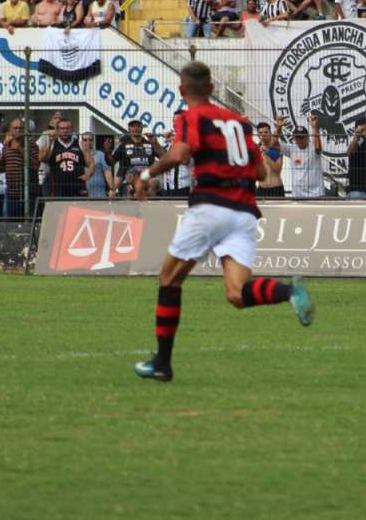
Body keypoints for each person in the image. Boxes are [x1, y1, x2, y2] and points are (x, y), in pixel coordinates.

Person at [131, 61, 315, 382]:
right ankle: (290, 292)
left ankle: (162, 362)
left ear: (181, 90)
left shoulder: (192, 117)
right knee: (236, 293)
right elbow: (261, 173)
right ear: (213, 89)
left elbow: (179, 154)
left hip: (211, 207)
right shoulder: (240, 122)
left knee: (169, 279)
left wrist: (145, 174)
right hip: (244, 212)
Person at [41, 118, 94, 198]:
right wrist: (49, 141)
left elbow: (91, 164)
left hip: (77, 187)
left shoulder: (80, 145)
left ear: (72, 129)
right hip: (57, 188)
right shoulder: (52, 145)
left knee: (79, 209)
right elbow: (42, 158)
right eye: (62, 128)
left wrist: (88, 174)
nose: (65, 131)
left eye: (68, 128)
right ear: (57, 130)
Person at [110, 120, 162, 197]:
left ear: (142, 128)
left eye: (138, 126)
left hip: (147, 183)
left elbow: (163, 157)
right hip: (128, 183)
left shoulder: (149, 144)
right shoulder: (123, 145)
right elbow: (113, 163)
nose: (136, 128)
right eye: (133, 126)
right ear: (129, 129)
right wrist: (113, 189)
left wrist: (155, 143)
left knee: (154, 183)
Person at [277, 114, 324, 198]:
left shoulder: (313, 147)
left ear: (307, 137)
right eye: (297, 137)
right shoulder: (291, 148)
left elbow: (318, 148)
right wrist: (278, 128)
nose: (300, 140)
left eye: (302, 137)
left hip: (316, 194)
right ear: (294, 138)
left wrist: (315, 128)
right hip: (298, 195)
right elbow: (274, 144)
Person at [82, 132, 113, 198]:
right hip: (82, 193)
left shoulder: (100, 154)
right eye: (85, 140)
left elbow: (107, 172)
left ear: (93, 141)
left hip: (99, 193)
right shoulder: (78, 155)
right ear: (81, 141)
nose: (88, 142)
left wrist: (111, 189)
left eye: (90, 140)